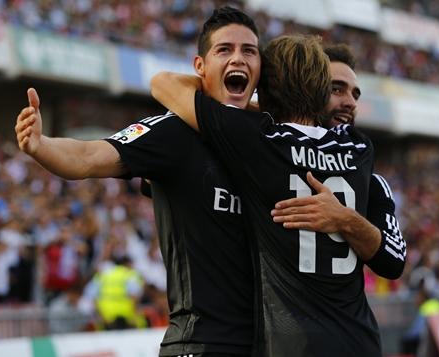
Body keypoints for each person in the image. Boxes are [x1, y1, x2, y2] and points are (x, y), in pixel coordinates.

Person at [17, 6, 261, 356]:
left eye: (248, 51)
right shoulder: (174, 132)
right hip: (201, 344)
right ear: (200, 68)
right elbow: (88, 157)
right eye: (224, 50)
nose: (238, 58)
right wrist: (41, 146)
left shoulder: (270, 140)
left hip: (266, 345)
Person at [150, 34, 381, 356]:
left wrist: (249, 95)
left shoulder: (260, 141)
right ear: (320, 93)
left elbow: (163, 84)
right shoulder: (360, 148)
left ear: (266, 89)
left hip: (293, 343)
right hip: (360, 340)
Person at [270, 43, 406, 281]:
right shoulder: (267, 151)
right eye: (336, 90)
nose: (351, 103)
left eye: (355, 94)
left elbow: (394, 262)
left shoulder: (371, 181)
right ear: (309, 91)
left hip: (348, 317)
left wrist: (344, 218)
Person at [93, 255, 145, 330]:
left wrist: (102, 317)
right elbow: (135, 297)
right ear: (126, 264)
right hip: (127, 317)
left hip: (107, 317)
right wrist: (134, 316)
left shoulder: (102, 276)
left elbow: (93, 298)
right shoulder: (130, 275)